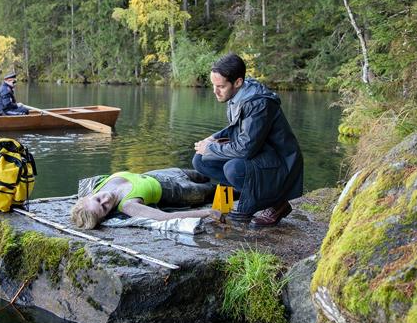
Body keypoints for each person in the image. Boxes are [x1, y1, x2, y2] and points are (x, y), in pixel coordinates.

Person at [192, 53, 303, 227]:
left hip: (280, 165)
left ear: (237, 82)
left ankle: (276, 202)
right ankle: (227, 204)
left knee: (232, 168)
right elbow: (239, 129)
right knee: (200, 160)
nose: (215, 91)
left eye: (220, 86)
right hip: (262, 155)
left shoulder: (259, 104)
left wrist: (211, 148)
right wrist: (213, 138)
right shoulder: (238, 94)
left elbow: (245, 149)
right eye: (213, 85)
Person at [70, 167, 219, 230]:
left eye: (97, 200)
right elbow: (164, 217)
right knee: (218, 187)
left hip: (162, 173)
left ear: (89, 196)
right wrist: (207, 213)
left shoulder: (95, 186)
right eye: (104, 207)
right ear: (107, 214)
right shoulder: (128, 206)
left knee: (206, 171)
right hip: (178, 191)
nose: (105, 200)